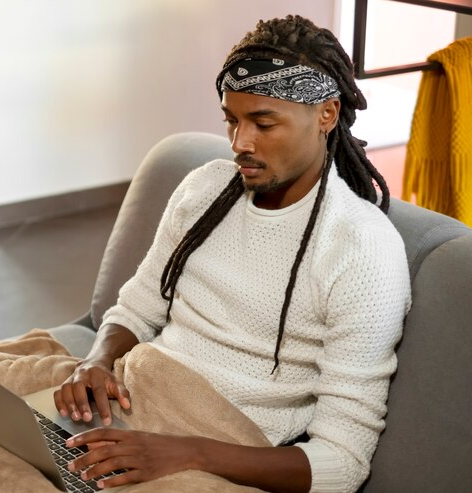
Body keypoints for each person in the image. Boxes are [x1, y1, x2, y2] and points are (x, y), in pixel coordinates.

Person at [53, 15, 411, 493]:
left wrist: (188, 453)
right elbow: (138, 307)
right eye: (232, 119)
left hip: (220, 446)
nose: (241, 143)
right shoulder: (205, 189)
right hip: (130, 399)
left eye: (263, 122)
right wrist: (95, 360)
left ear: (326, 114)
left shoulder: (361, 249)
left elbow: (343, 463)